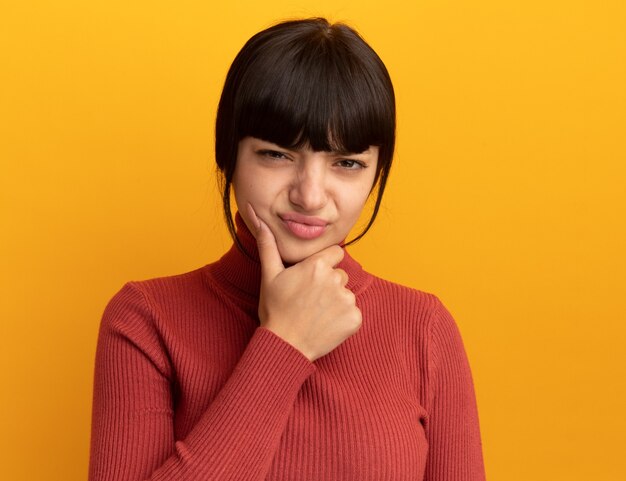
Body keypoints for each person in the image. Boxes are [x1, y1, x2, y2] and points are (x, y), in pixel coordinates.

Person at [89, 17, 486, 481]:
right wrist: (285, 344)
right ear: (228, 154)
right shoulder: (145, 320)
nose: (310, 195)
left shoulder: (424, 329)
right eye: (277, 154)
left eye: (347, 164)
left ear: (376, 176)